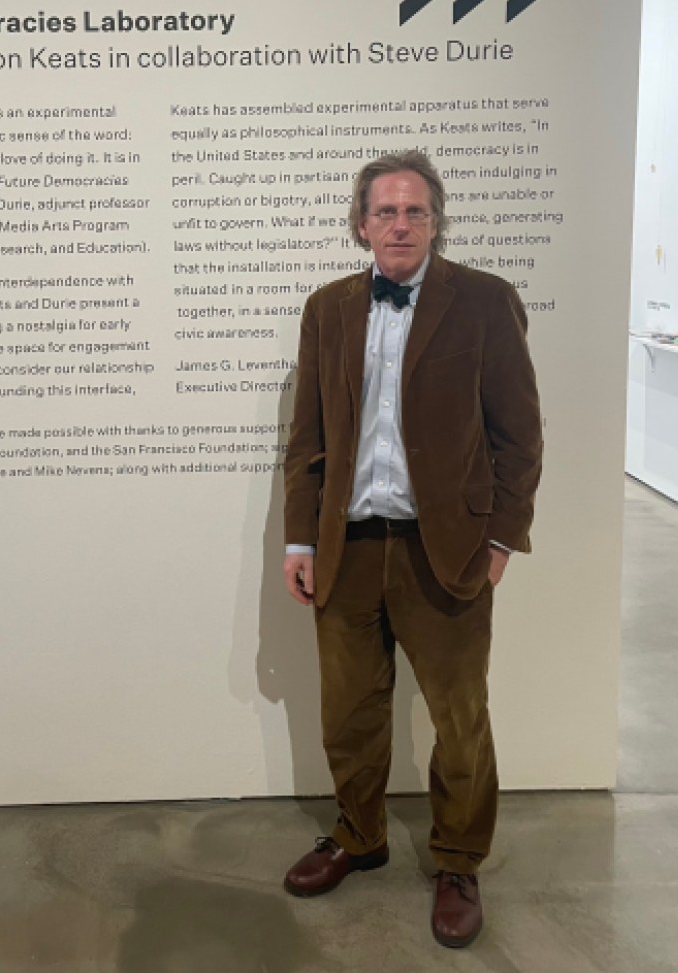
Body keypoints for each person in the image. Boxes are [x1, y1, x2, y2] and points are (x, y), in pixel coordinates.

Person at [281, 149, 542, 948]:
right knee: (349, 713)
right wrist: (300, 536)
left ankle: (458, 859)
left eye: (415, 211)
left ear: (436, 221)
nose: (400, 224)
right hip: (348, 547)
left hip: (449, 549)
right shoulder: (326, 308)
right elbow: (309, 440)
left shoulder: (486, 302)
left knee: (459, 717)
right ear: (361, 224)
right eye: (385, 211)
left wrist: (501, 536)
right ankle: (358, 836)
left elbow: (518, 435)